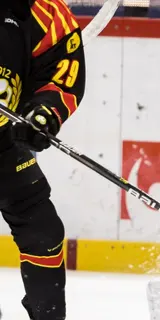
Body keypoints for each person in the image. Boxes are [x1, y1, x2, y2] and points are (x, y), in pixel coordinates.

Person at [0, 1, 85, 319]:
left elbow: (62, 72)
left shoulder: (40, 11)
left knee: (43, 231)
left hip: (3, 146)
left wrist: (44, 112)